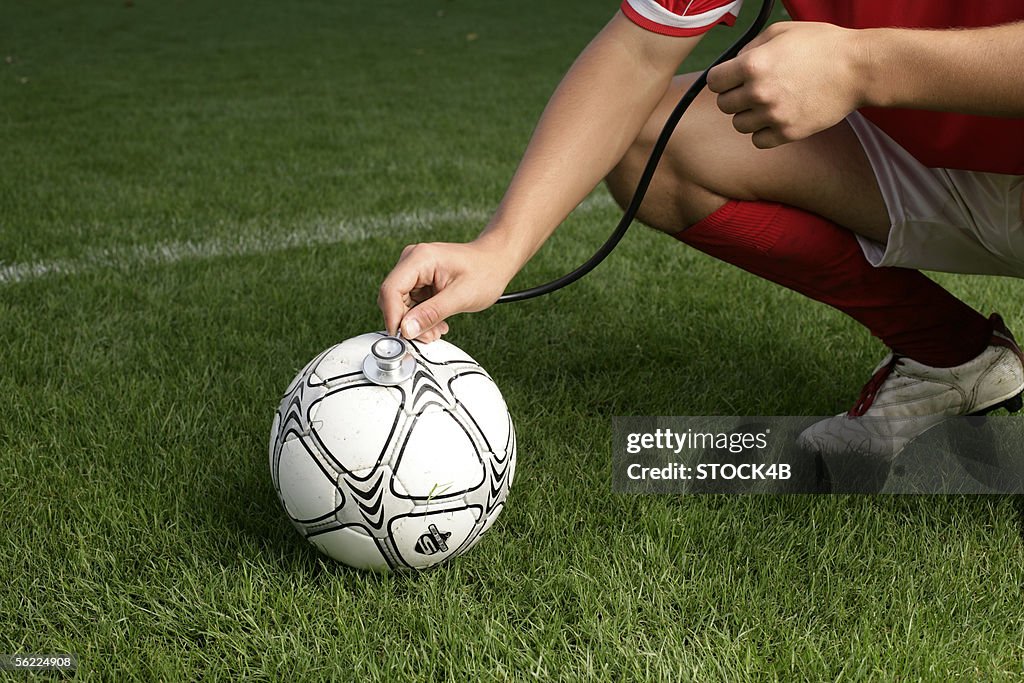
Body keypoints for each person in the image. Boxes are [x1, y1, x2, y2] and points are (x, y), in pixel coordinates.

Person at [377, 0, 1024, 459]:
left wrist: (865, 65)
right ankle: (953, 354)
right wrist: (502, 245)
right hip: (930, 159)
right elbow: (636, 53)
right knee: (653, 143)